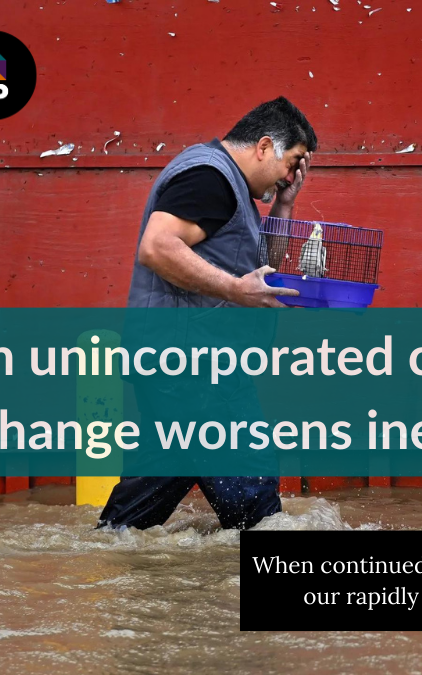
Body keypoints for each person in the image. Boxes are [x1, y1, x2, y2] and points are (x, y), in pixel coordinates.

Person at [97, 97, 318, 531]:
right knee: (252, 491)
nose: (290, 176)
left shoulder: (233, 191)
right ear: (264, 146)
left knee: (152, 490)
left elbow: (264, 272)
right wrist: (236, 289)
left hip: (186, 364)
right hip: (195, 365)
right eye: (291, 163)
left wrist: (285, 206)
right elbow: (157, 246)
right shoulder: (210, 177)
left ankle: (99, 560)